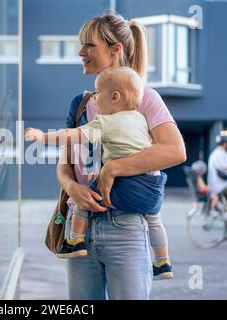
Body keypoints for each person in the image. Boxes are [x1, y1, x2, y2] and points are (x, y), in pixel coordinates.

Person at [56, 14, 186, 299]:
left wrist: (113, 168)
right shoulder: (80, 104)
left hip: (126, 227)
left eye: (89, 45)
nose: (81, 53)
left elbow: (175, 150)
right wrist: (71, 188)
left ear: (115, 49)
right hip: (80, 230)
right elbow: (65, 165)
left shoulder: (145, 98)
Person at [26, 67, 172, 280]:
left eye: (96, 93)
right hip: (151, 185)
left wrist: (41, 137)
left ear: (114, 96)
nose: (93, 99)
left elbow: (71, 136)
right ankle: (162, 261)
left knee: (85, 197)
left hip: (126, 186)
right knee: (155, 220)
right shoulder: (140, 119)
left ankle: (75, 239)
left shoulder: (105, 122)